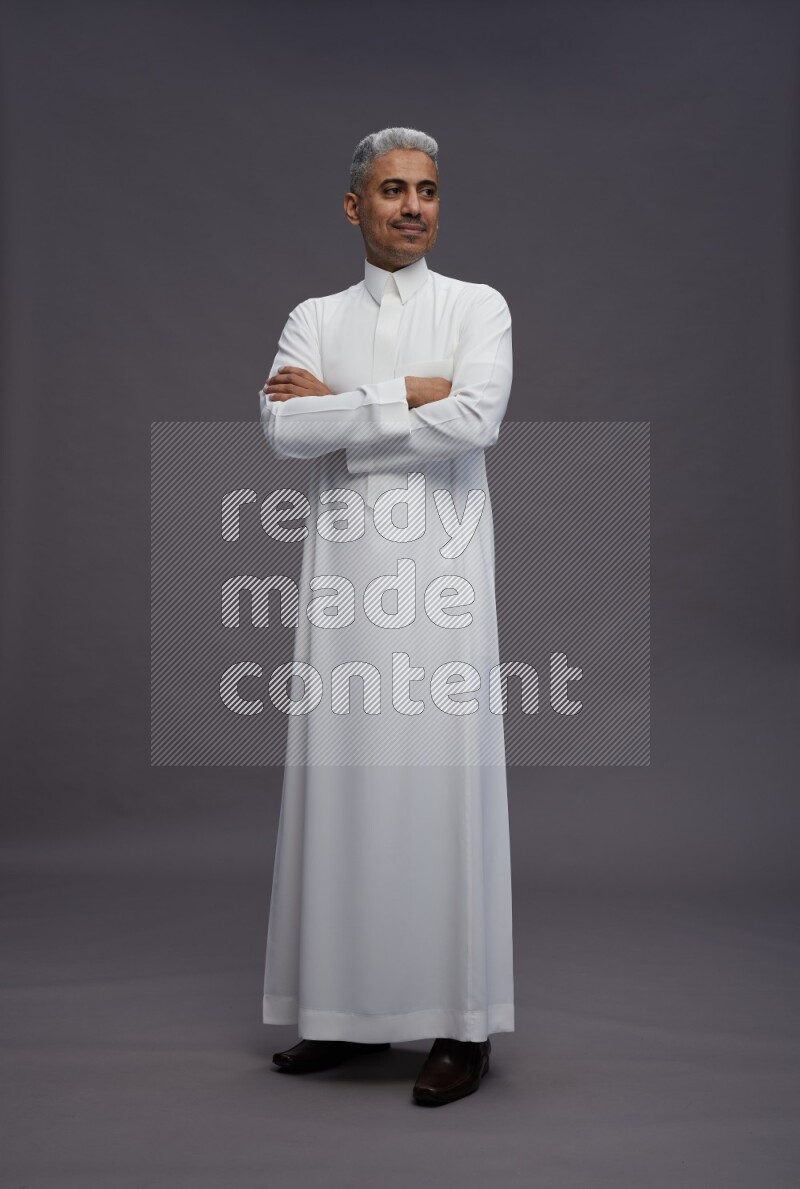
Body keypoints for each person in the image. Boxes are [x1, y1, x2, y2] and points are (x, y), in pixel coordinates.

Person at [257, 126, 514, 1107]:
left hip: (441, 587)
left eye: (428, 191)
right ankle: (343, 1015)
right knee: (344, 787)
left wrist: (352, 402)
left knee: (438, 789)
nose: (413, 206)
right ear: (353, 206)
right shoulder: (313, 315)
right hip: (345, 586)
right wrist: (412, 392)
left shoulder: (475, 305)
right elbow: (282, 425)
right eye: (393, 190)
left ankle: (460, 1024)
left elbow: (476, 416)